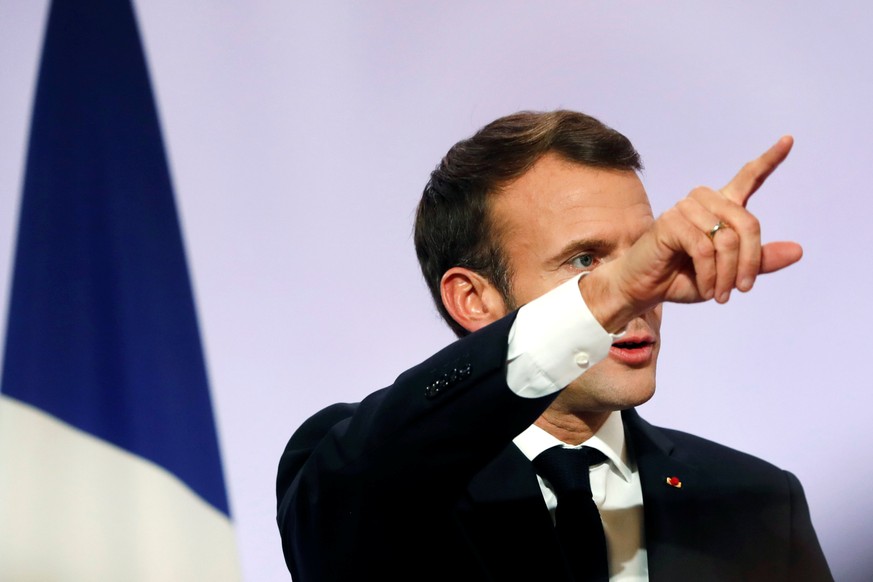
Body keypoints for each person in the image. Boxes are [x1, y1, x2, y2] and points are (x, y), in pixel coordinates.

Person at [276, 110, 833, 581]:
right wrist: (606, 295)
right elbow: (362, 490)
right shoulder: (375, 481)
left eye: (644, 252)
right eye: (585, 261)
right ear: (474, 300)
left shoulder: (756, 499)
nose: (641, 289)